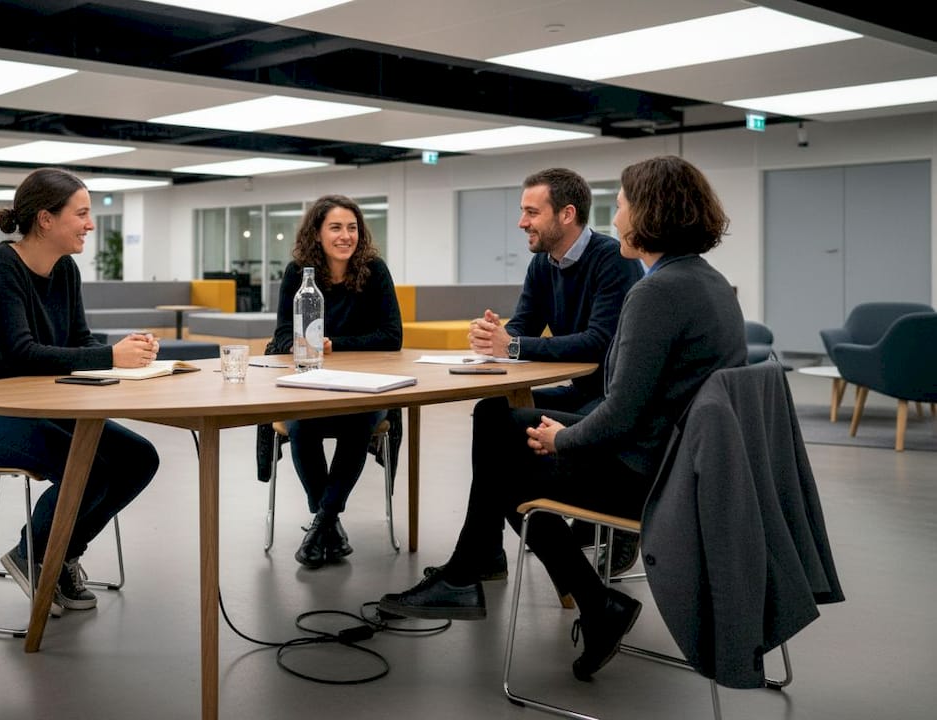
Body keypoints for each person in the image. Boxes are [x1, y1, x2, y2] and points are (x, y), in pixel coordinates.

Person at [379, 155, 747, 682]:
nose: (615, 218)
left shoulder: (656, 292)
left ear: (650, 213)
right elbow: (633, 404)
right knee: (499, 429)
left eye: (620, 206)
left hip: (648, 475)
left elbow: (620, 413)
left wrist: (565, 439)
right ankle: (546, 590)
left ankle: (518, 584)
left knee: (505, 460)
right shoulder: (704, 281)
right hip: (680, 463)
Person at [0, 167, 161, 616]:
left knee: (139, 458)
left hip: (39, 412)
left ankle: (59, 554)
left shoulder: (65, 270)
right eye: (81, 213)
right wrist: (108, 358)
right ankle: (31, 555)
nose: (90, 224)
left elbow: (79, 342)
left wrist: (124, 352)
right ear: (45, 219)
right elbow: (20, 355)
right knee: (88, 469)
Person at [437, 167, 643, 583]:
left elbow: (597, 341)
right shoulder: (543, 264)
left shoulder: (612, 260)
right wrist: (497, 333)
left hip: (608, 398)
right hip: (582, 391)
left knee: (508, 444)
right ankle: (488, 550)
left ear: (566, 215)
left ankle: (611, 523)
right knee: (490, 411)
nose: (521, 222)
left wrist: (511, 345)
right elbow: (524, 328)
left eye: (531, 212)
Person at [266, 194, 402, 569]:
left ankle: (323, 521)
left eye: (352, 228)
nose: (346, 236)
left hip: (365, 387)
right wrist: (297, 344)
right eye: (336, 228)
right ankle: (329, 521)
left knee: (358, 422)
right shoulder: (299, 273)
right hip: (312, 385)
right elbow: (280, 336)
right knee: (301, 423)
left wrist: (334, 344)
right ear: (318, 233)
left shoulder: (374, 270)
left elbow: (392, 336)